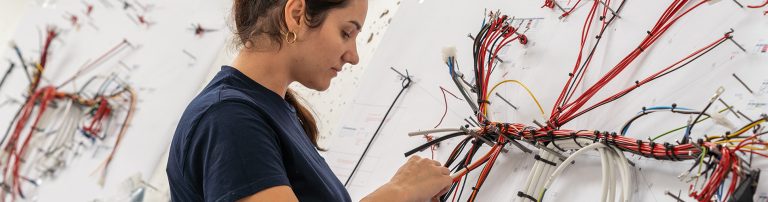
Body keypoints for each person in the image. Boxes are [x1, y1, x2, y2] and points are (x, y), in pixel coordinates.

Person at [165, 0, 452, 201]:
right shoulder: (228, 121)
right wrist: (399, 191)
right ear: (297, 14)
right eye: (346, 33)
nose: (353, 56)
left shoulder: (273, 109)